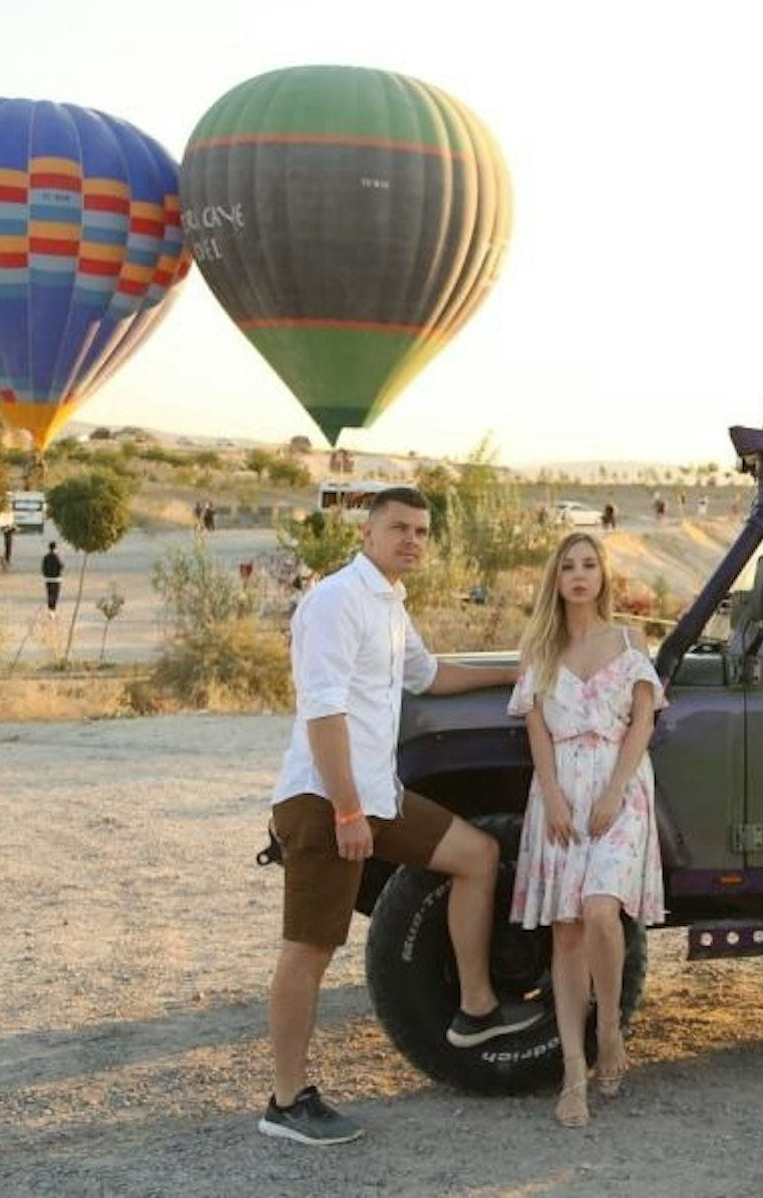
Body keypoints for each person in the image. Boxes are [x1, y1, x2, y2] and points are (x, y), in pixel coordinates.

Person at [261, 486, 544, 1147]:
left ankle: (475, 1007)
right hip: (326, 801)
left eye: (421, 530)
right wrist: (348, 810)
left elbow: (429, 675)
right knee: (308, 951)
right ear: (366, 534)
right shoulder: (337, 600)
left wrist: (514, 670)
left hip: (376, 794)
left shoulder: (390, 602)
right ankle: (286, 1101)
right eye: (399, 528)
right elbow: (323, 711)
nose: (412, 539)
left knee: (477, 855)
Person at [507, 530, 666, 1128]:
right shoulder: (539, 650)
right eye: (568, 566)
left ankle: (609, 1028)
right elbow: (536, 731)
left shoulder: (629, 639)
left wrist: (616, 789)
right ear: (556, 578)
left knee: (601, 909)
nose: (579, 574)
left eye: (589, 565)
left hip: (619, 787)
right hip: (560, 794)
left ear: (603, 575)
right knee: (567, 930)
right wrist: (551, 795)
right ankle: (573, 1072)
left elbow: (644, 721)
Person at [41, 541, 64, 615]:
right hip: (56, 580)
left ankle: (50, 610)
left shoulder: (46, 557)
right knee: (55, 595)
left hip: (48, 579)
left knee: (49, 594)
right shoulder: (57, 557)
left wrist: (46, 575)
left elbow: (43, 568)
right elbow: (61, 566)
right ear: (55, 548)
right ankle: (53, 610)